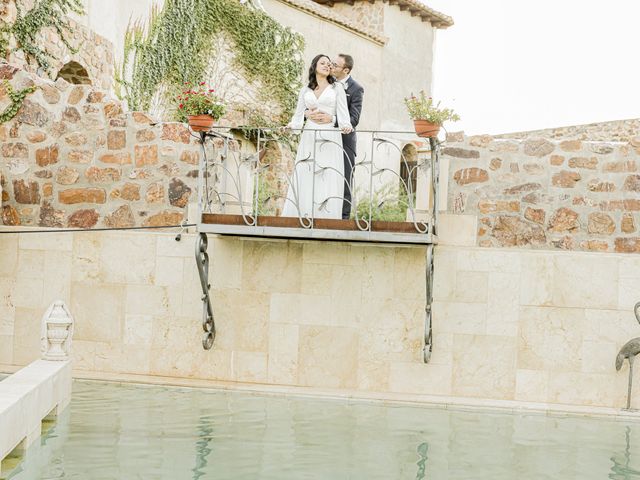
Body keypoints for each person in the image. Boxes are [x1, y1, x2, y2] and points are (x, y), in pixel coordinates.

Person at [282, 54, 353, 220]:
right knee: (306, 172)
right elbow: (298, 116)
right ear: (314, 66)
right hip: (309, 136)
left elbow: (344, 116)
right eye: (323, 63)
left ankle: (326, 217)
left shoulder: (337, 89)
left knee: (326, 174)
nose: (327, 66)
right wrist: (291, 126)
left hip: (329, 136)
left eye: (329, 64)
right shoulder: (305, 90)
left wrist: (343, 125)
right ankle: (303, 215)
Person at [308, 53, 364, 219]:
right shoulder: (327, 85)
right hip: (325, 139)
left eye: (336, 65)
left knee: (344, 179)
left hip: (345, 141)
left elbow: (354, 120)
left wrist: (331, 119)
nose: (331, 66)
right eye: (330, 63)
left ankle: (343, 218)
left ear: (346, 70)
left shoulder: (356, 89)